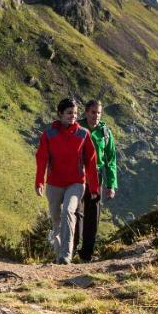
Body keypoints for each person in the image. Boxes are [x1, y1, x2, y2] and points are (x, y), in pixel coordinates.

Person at [34, 98, 100, 264]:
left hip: (76, 183)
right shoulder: (48, 134)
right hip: (55, 183)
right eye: (69, 113)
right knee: (56, 220)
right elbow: (42, 159)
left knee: (69, 212)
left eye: (75, 113)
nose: (73, 116)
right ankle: (59, 256)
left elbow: (91, 161)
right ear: (60, 114)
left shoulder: (83, 134)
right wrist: (39, 182)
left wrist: (94, 187)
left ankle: (66, 254)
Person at [74, 99, 118, 262]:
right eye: (93, 112)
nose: (96, 116)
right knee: (75, 211)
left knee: (93, 214)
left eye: (98, 112)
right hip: (77, 175)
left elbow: (111, 160)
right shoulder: (76, 128)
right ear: (86, 112)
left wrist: (111, 185)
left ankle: (86, 254)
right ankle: (71, 249)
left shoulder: (105, 132)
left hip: (96, 176)